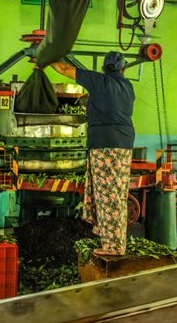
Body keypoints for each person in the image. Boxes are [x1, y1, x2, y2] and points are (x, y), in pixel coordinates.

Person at [49, 51, 135, 256]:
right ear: (122, 69)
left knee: (107, 197)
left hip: (105, 145)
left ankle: (114, 248)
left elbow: (63, 68)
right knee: (116, 194)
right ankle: (111, 241)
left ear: (105, 68)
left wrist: (45, 58)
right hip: (124, 144)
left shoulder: (99, 81)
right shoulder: (128, 86)